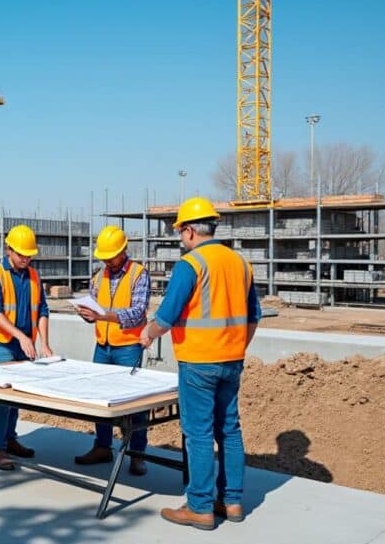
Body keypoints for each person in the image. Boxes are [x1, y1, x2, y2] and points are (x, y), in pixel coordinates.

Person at [139, 197, 261, 530]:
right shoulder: (241, 264)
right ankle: (232, 502)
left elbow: (166, 316)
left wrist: (148, 334)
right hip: (231, 360)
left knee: (199, 434)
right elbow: (254, 316)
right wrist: (237, 347)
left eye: (181, 232)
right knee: (230, 430)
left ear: (191, 231)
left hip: (198, 362)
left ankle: (200, 506)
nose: (181, 238)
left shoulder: (190, 264)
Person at [74, 225, 151, 475]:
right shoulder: (99, 276)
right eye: (105, 257)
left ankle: (137, 454)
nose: (108, 261)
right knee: (100, 399)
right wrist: (88, 314)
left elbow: (138, 311)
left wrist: (105, 315)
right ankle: (102, 446)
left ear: (123, 250)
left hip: (128, 347)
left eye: (112, 256)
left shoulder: (139, 274)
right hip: (103, 346)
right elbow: (95, 308)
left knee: (135, 403)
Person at [0, 224, 54, 471]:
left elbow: (42, 310)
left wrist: (43, 342)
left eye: (29, 254)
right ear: (9, 250)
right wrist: (21, 337)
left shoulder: (34, 276)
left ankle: (10, 438)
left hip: (27, 344)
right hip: (3, 344)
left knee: (18, 395)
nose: (26, 258)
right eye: (22, 254)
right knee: (4, 395)